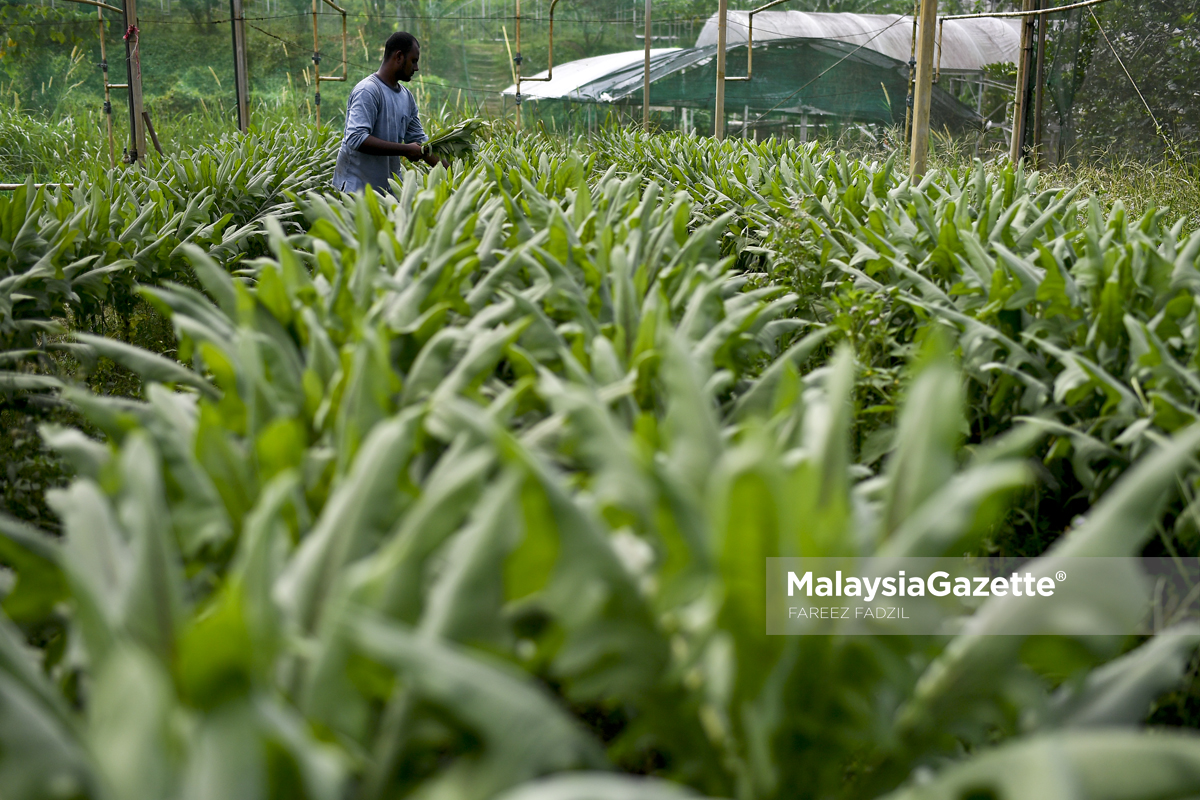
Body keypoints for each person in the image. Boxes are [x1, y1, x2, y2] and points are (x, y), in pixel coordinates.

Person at [331, 31, 448, 193]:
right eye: (413, 61)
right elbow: (356, 138)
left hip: (386, 191)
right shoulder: (368, 90)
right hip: (356, 189)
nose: (416, 67)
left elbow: (420, 143)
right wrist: (405, 149)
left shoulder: (406, 97)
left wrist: (454, 171)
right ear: (399, 56)